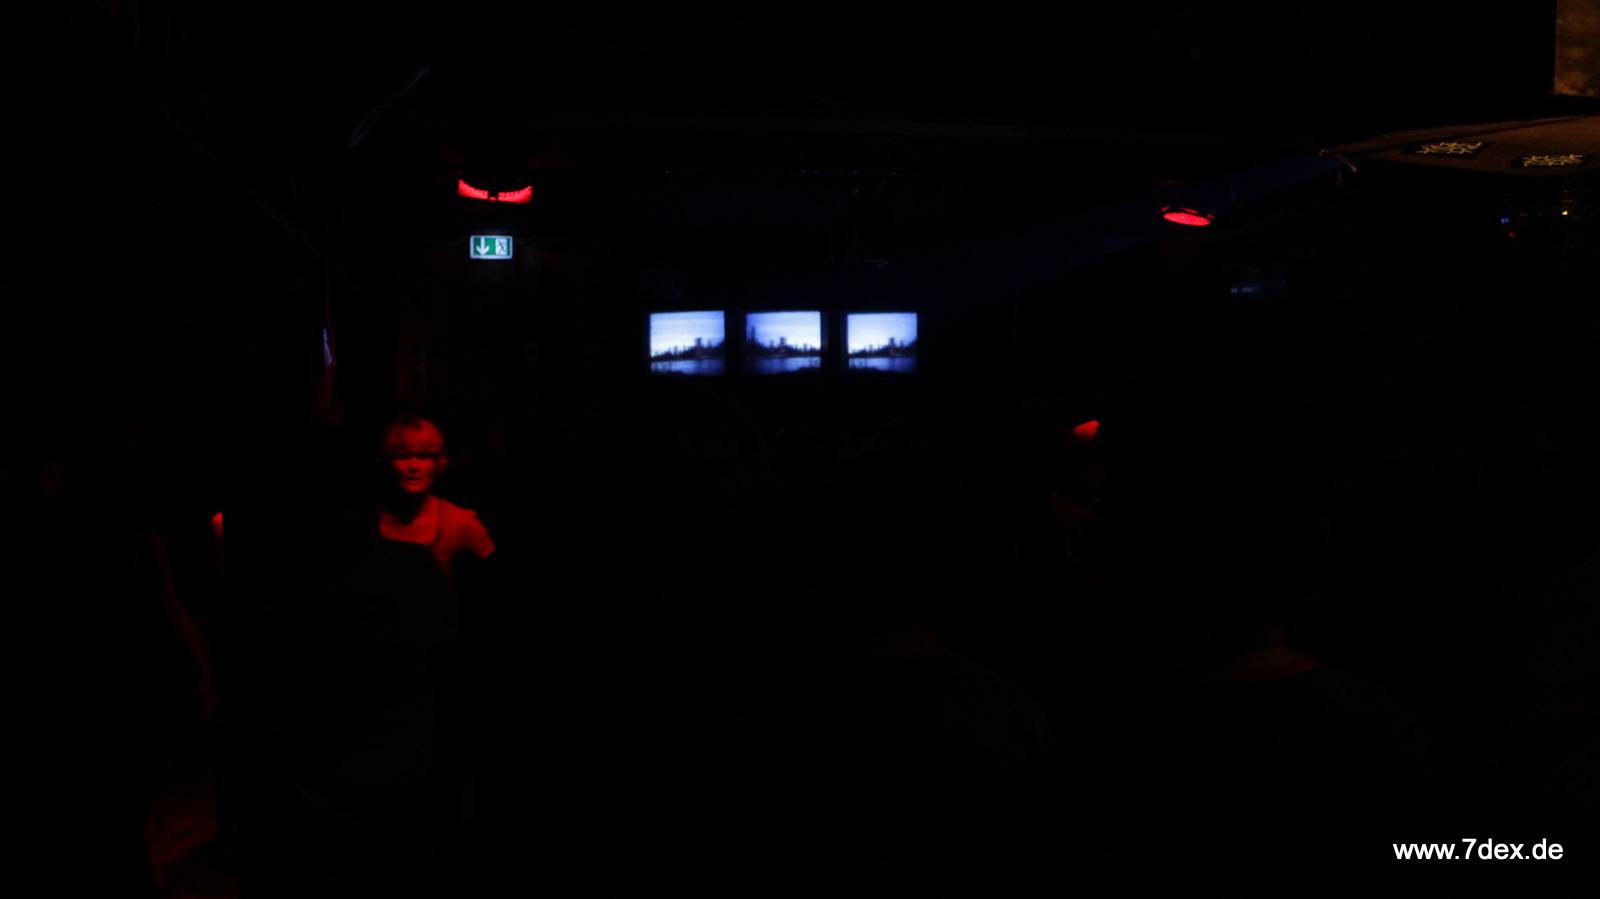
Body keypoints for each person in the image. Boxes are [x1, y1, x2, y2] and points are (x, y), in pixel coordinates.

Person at [376, 416, 494, 578]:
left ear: (438, 462)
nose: (413, 466)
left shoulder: (459, 522)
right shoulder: (367, 518)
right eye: (402, 456)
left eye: (424, 457)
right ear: (389, 462)